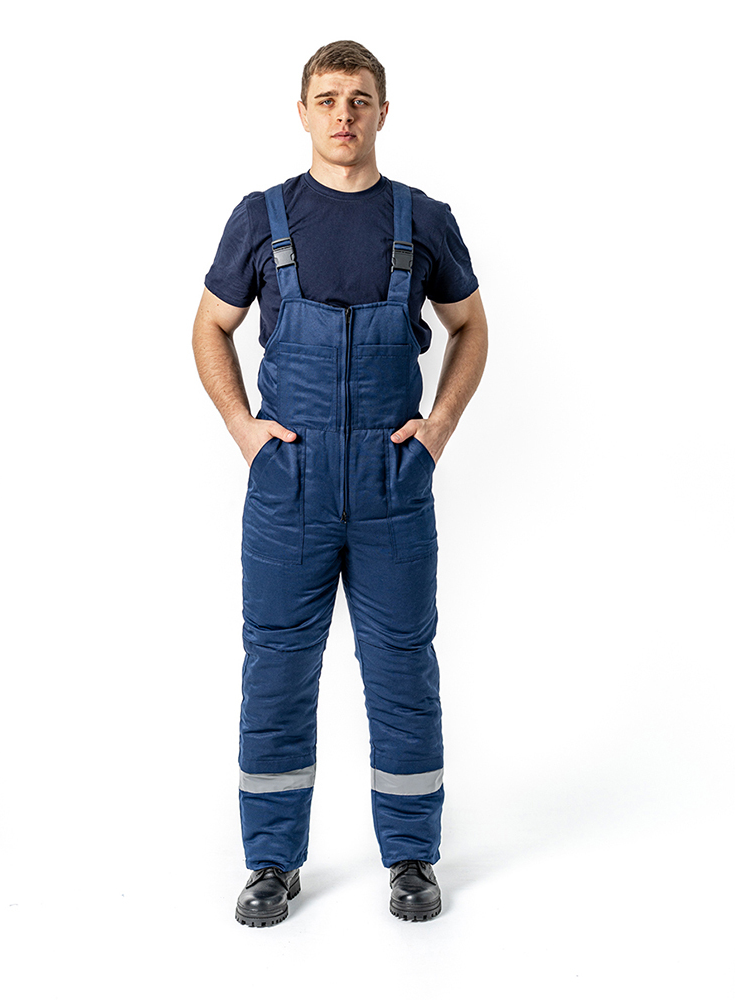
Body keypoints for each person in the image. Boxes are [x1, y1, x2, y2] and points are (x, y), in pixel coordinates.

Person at [192, 39, 487, 926]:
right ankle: (271, 863)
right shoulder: (261, 218)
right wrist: (245, 431)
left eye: (359, 99)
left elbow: (471, 326)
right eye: (327, 100)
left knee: (402, 670)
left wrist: (438, 429)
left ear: (382, 112)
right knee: (277, 670)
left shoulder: (423, 219)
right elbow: (209, 327)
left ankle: (411, 858)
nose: (343, 115)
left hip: (394, 480)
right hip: (291, 482)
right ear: (303, 113)